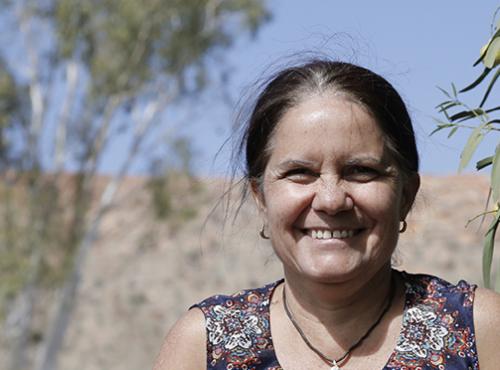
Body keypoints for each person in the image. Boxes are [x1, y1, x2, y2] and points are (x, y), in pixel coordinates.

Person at [153, 60, 500, 370]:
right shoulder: (204, 346)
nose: (331, 201)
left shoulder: (478, 329)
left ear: (406, 195)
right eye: (300, 173)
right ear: (260, 197)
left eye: (361, 170)